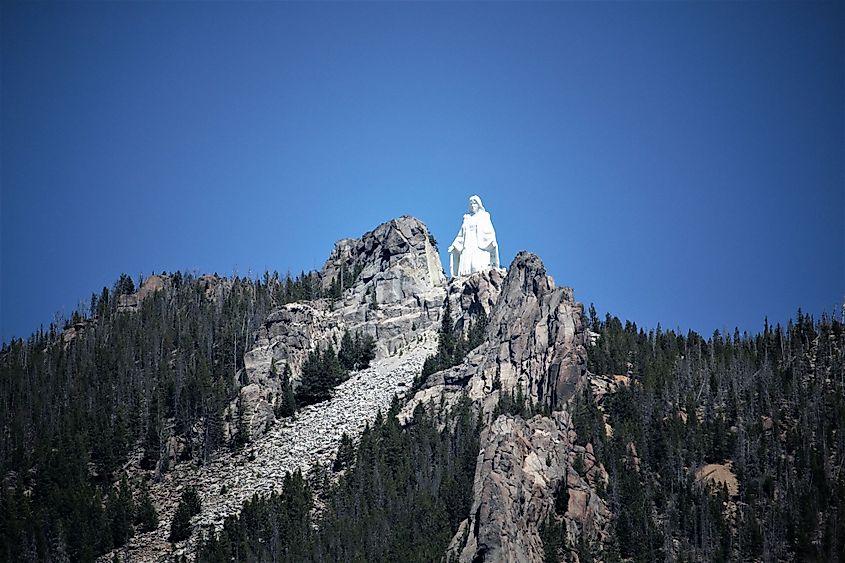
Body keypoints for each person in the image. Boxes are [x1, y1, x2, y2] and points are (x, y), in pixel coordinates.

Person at [448, 195, 500, 276]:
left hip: (478, 243)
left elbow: (489, 230)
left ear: (479, 205)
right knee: (467, 262)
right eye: (471, 204)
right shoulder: (467, 218)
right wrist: (454, 245)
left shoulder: (484, 216)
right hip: (467, 244)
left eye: (474, 203)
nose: (473, 206)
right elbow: (461, 235)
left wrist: (491, 240)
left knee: (477, 265)